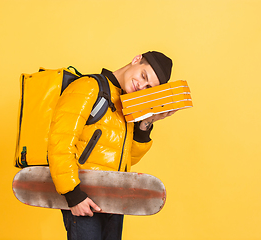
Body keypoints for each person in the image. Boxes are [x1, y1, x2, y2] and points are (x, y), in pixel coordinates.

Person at [47, 51, 175, 240]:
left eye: (148, 87)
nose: (141, 86)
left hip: (114, 203)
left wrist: (146, 123)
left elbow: (125, 160)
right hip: (84, 199)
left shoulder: (128, 105)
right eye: (143, 76)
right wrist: (73, 196)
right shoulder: (88, 87)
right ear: (137, 60)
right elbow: (60, 142)